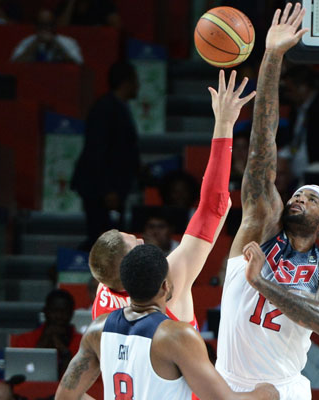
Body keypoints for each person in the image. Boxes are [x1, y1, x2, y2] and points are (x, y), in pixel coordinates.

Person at [216, 4, 319, 398]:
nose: (298, 198)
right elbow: (262, 149)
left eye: (310, 199)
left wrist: (263, 283)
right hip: (228, 384)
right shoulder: (261, 225)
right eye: (296, 194)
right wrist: (272, 57)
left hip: (284, 389)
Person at [89, 70, 254, 332]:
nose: (142, 240)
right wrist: (224, 124)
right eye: (136, 245)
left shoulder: (103, 295)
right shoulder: (169, 285)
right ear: (128, 269)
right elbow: (213, 207)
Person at [55, 245, 279, 400]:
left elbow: (65, 396)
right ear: (165, 286)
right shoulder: (176, 336)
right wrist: (266, 393)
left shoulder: (98, 328)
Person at [71, 61, 140, 250]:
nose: (138, 86)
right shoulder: (105, 108)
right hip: (99, 187)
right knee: (100, 239)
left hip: (112, 187)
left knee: (111, 240)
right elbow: (97, 150)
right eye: (135, 81)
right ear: (126, 83)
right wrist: (108, 189)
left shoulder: (119, 107)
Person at [10, 289, 82, 377]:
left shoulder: (84, 343)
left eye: (64, 312)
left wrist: (64, 352)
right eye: (54, 311)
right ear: (45, 311)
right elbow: (19, 371)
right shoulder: (25, 339)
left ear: (71, 314)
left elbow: (81, 378)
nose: (59, 316)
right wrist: (43, 342)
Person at [10, 8, 83, 64]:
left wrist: (55, 43)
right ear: (36, 26)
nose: (45, 28)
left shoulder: (68, 42)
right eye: (41, 25)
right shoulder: (27, 42)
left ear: (54, 25)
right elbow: (14, 64)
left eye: (48, 24)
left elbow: (78, 65)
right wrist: (35, 44)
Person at [56, 0, 120, 28]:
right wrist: (71, 3)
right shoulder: (65, 5)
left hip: (96, 45)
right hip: (69, 49)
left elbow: (117, 26)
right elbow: (60, 29)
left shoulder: (103, 4)